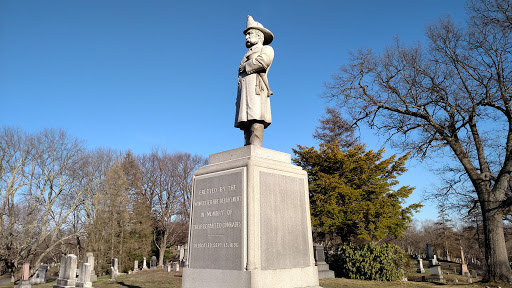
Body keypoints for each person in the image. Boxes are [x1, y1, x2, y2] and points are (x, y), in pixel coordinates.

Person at [235, 15, 274, 146]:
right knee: (245, 119)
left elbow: (263, 62)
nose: (246, 37)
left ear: (259, 36)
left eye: (249, 34)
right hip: (245, 91)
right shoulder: (245, 54)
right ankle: (247, 145)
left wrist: (246, 66)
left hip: (257, 89)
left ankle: (256, 145)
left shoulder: (266, 49)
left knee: (256, 116)